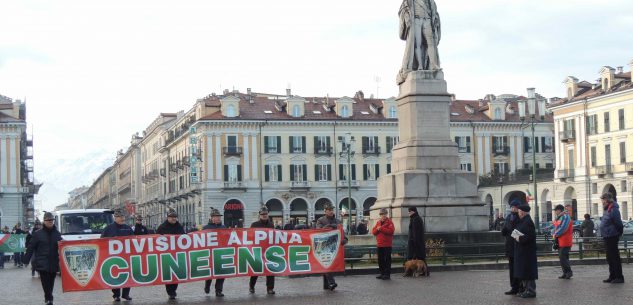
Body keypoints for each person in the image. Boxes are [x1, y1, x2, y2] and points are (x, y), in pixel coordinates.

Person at [397, 0, 442, 84]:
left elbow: (435, 12)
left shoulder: (430, 1)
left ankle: (434, 65)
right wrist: (407, 16)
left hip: (427, 20)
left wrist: (435, 19)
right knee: (417, 44)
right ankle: (420, 66)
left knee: (431, 43)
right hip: (416, 20)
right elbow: (403, 9)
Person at [23, 212, 62, 305]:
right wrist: (26, 260)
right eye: (48, 220)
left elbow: (63, 247)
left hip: (53, 262)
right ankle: (49, 299)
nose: (50, 222)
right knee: (45, 283)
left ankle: (48, 298)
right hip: (42, 263)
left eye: (52, 220)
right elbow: (31, 247)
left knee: (51, 283)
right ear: (44, 221)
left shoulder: (57, 234)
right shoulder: (37, 234)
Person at [101, 209, 134, 301]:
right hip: (113, 257)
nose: (122, 218)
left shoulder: (128, 228)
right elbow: (102, 242)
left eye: (123, 217)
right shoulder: (108, 228)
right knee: (115, 276)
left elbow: (134, 241)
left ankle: (126, 294)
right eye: (120, 217)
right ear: (115, 218)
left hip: (127, 257)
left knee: (128, 276)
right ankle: (116, 295)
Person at [316, 203, 348, 291]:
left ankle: (326, 285)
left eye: (331, 210)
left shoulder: (337, 221)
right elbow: (318, 231)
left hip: (335, 246)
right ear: (325, 211)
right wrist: (328, 227)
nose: (330, 211)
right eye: (329, 210)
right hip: (324, 246)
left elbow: (342, 231)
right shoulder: (320, 220)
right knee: (326, 264)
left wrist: (345, 239)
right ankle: (331, 283)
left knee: (327, 265)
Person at [157, 208, 186, 299]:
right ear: (167, 217)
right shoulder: (162, 227)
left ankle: (174, 289)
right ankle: (170, 291)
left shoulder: (179, 226)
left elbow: (184, 238)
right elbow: (156, 240)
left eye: (174, 217)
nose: (173, 218)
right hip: (166, 255)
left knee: (176, 273)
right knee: (168, 274)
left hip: (177, 254)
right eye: (171, 217)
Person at [249, 206, 276, 295]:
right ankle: (251, 286)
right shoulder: (254, 225)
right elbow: (250, 237)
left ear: (268, 214)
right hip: (257, 251)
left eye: (265, 214)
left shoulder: (271, 225)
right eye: (262, 214)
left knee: (270, 270)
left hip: (269, 251)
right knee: (256, 270)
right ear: (259, 215)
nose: (264, 215)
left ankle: (270, 288)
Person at [599, 193, 625, 284]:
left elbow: (618, 223)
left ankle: (619, 277)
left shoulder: (613, 209)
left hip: (612, 236)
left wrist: (618, 233)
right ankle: (612, 275)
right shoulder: (607, 209)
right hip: (607, 235)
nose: (602, 202)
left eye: (603, 200)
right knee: (609, 257)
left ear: (608, 200)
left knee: (614, 257)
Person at [513, 205, 537, 298]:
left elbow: (530, 237)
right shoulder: (523, 221)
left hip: (527, 252)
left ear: (523, 212)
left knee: (528, 272)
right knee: (523, 271)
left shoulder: (528, 222)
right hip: (522, 251)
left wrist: (519, 238)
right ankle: (526, 289)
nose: (518, 213)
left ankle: (531, 291)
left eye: (519, 212)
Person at [202, 208, 226, 297]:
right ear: (212, 218)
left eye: (219, 217)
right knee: (210, 273)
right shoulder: (205, 228)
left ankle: (218, 290)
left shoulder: (223, 227)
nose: (218, 218)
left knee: (221, 273)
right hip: (210, 254)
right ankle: (207, 285)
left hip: (221, 253)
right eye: (216, 217)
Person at [500, 199, 521, 295]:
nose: (513, 209)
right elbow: (505, 230)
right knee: (512, 268)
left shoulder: (520, 217)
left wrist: (512, 231)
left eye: (515, 207)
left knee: (518, 268)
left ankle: (520, 287)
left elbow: (519, 232)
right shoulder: (508, 217)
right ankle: (513, 287)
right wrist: (504, 229)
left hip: (517, 246)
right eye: (512, 207)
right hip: (509, 246)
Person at [372, 208, 395, 280]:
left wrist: (381, 229)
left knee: (387, 260)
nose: (383, 215)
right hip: (380, 244)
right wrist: (378, 229)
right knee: (380, 260)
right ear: (380, 215)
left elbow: (391, 231)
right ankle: (382, 273)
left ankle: (387, 274)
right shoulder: (378, 222)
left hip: (387, 245)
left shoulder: (389, 222)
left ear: (386, 214)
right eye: (382, 214)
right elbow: (373, 232)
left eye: (384, 214)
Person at [552, 204, 573, 279]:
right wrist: (553, 232)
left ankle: (569, 272)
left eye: (556, 211)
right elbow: (555, 226)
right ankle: (565, 272)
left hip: (565, 240)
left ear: (560, 210)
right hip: (560, 241)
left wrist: (555, 234)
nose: (555, 212)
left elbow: (563, 228)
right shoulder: (560, 217)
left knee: (563, 257)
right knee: (562, 258)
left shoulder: (565, 217)